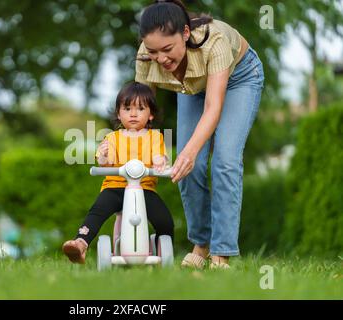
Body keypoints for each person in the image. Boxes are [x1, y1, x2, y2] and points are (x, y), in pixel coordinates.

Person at [135, 0, 264, 269]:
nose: (161, 58)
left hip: (240, 78)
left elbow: (213, 107)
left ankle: (222, 253)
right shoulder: (147, 56)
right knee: (186, 168)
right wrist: (130, 151)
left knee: (224, 162)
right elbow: (138, 111)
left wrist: (190, 152)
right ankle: (201, 244)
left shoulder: (213, 40)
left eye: (167, 49)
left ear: (184, 33)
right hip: (193, 88)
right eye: (153, 51)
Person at [62, 82, 174, 264]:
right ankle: (80, 244)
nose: (133, 113)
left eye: (140, 108)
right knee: (97, 212)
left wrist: (160, 161)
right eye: (127, 108)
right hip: (115, 187)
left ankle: (165, 250)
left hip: (144, 190)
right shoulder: (112, 138)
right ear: (118, 113)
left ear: (151, 114)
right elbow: (104, 161)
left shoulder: (155, 137)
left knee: (165, 221)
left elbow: (159, 156)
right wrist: (104, 157)